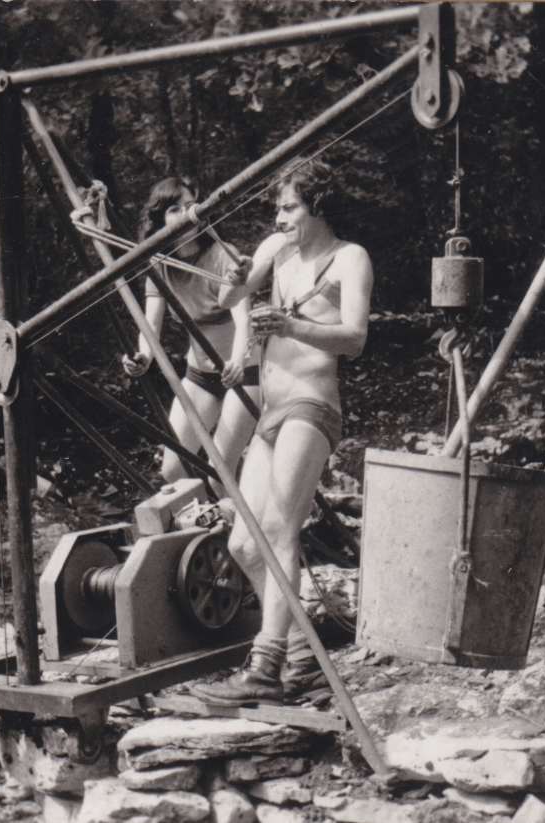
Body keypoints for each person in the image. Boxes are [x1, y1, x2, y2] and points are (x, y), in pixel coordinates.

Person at [191, 156, 374, 706]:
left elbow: (357, 338)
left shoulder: (350, 259)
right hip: (269, 409)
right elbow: (224, 302)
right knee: (246, 542)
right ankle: (302, 658)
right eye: (277, 207)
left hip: (312, 406)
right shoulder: (276, 251)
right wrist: (233, 278)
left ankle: (265, 667)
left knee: (279, 533)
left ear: (317, 206)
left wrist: (292, 324)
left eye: (289, 206)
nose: (279, 216)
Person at [122, 178, 259, 496]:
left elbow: (243, 320)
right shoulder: (159, 265)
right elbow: (151, 328)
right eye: (174, 209)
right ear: (160, 220)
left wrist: (238, 360)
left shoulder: (222, 255)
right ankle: (207, 535)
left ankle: (242, 541)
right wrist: (142, 357)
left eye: (190, 206)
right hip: (199, 377)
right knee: (173, 470)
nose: (185, 214)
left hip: (243, 374)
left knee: (219, 474)